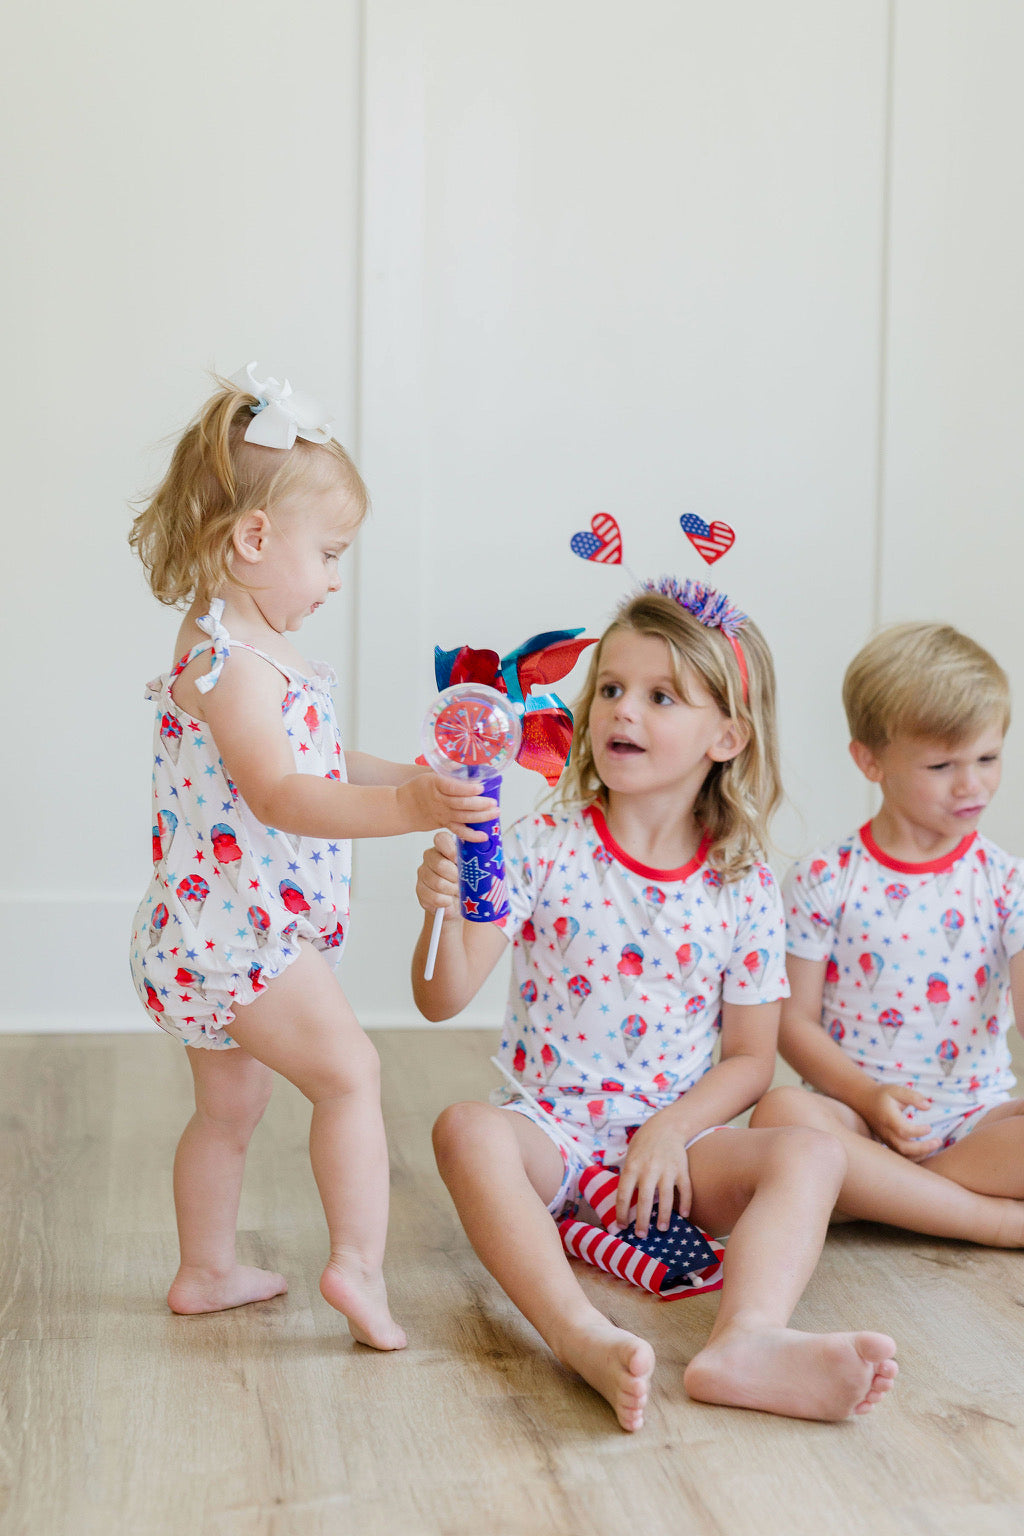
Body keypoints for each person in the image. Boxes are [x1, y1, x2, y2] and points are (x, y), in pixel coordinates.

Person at [412, 580, 898, 1432]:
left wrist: (670, 1130)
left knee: (814, 1157)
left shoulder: (741, 883)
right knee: (464, 1130)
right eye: (609, 689)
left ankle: (745, 1340)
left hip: (677, 1151)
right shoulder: (539, 847)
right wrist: (441, 911)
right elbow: (441, 999)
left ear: (727, 736)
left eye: (659, 695)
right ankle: (579, 1335)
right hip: (551, 1136)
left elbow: (752, 1058)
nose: (620, 712)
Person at [128, 364, 494, 1345]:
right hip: (243, 938)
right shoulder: (233, 670)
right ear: (254, 540)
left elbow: (323, 763)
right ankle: (359, 1269)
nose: (335, 578)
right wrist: (411, 803)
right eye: (328, 554)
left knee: (227, 1112)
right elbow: (283, 794)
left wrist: (409, 782)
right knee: (352, 1076)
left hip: (207, 930)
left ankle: (206, 1271)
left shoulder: (229, 646)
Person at [752, 622, 1024, 1250]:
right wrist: (870, 1099)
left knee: (804, 1161)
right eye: (941, 765)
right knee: (782, 1116)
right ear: (870, 760)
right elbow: (795, 1025)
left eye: (988, 758)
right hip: (858, 1114)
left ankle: (881, 1193)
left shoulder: (1006, 881)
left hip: (975, 1119)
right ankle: (974, 1213)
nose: (972, 784)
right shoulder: (827, 876)